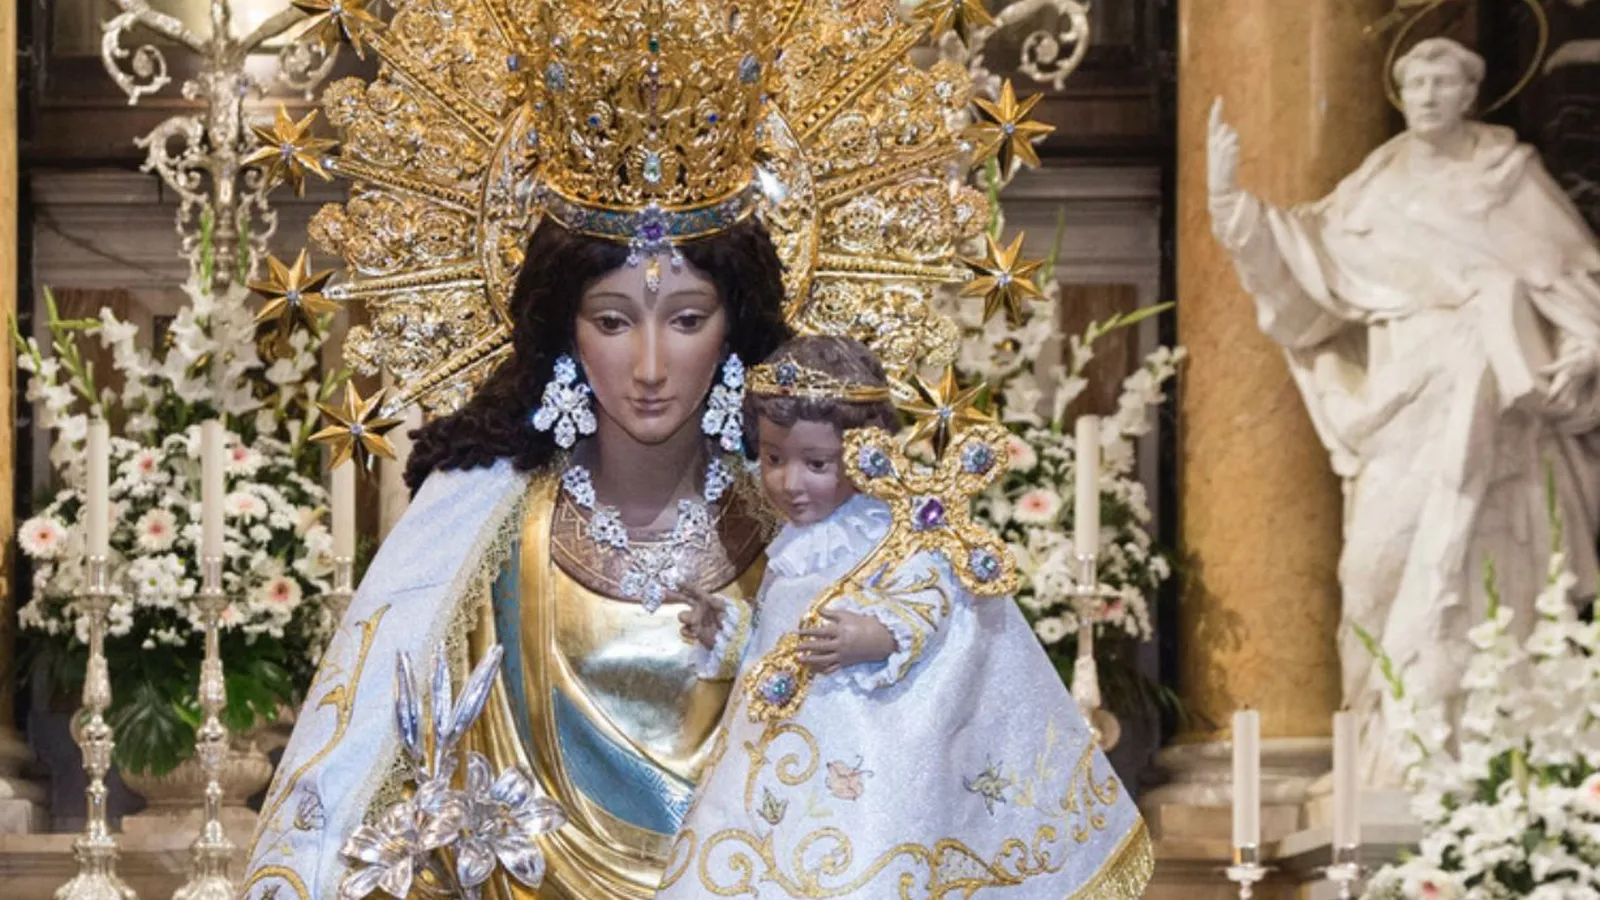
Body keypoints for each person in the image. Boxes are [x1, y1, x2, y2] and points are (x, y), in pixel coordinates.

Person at [1207, 36, 1600, 785]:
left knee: (1489, 572)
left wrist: (1584, 347)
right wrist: (1232, 206)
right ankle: (1383, 740)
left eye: (1442, 82)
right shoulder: (1373, 190)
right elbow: (1303, 266)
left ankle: (1486, 757)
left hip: (1498, 418)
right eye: (1414, 83)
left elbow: (1578, 281)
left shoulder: (1509, 179)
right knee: (1372, 572)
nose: (1426, 95)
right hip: (1400, 404)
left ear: (1470, 94)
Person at [655, 336, 1152, 899]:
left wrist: (878, 634)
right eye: (773, 458)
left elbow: (933, 598)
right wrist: (726, 632)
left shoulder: (891, 532)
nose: (790, 483)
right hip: (777, 770)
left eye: (816, 464)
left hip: (865, 761)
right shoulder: (795, 547)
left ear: (865, 455)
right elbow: (778, 640)